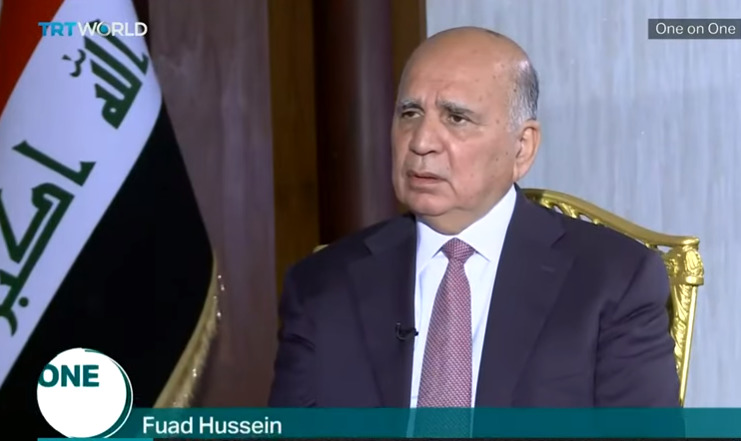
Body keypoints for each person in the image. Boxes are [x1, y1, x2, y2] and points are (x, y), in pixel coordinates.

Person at [268, 26, 680, 408]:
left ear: (522, 147)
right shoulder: (321, 285)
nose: (421, 142)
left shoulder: (613, 280)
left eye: (456, 118)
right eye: (409, 113)